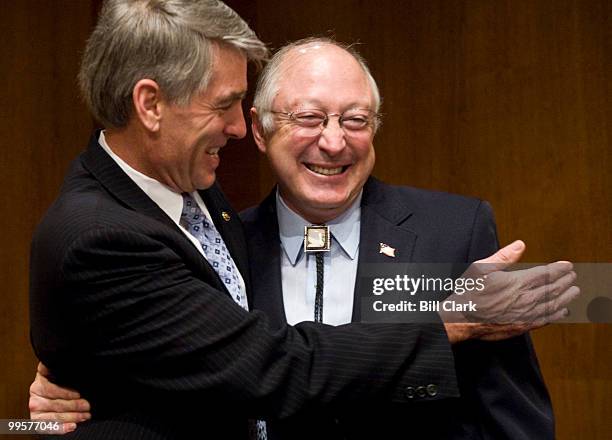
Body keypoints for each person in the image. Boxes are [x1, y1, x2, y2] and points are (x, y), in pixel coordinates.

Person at [29, 3, 577, 439]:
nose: (333, 141)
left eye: (356, 120)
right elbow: (274, 367)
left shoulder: (452, 231)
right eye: (310, 118)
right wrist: (53, 406)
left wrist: (584, 287)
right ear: (264, 130)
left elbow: (520, 402)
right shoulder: (127, 236)